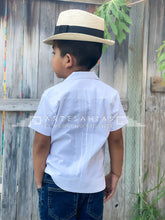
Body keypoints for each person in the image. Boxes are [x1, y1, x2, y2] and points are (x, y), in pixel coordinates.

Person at [29, 9, 127, 220]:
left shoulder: (53, 95)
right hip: (93, 187)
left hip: (57, 184)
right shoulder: (110, 96)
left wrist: (39, 180)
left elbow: (41, 144)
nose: (52, 57)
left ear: (68, 60)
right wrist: (115, 174)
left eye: (53, 52)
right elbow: (116, 139)